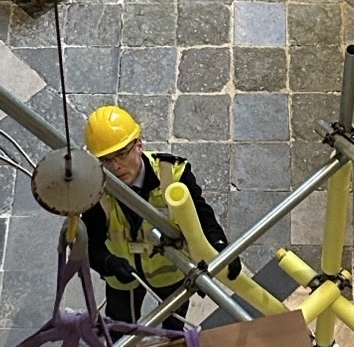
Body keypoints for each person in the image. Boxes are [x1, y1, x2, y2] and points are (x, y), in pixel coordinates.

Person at [81, 104, 239, 331]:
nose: (115, 166)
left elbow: (202, 215)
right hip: (123, 279)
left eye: (121, 154)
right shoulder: (95, 189)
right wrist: (108, 263)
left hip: (171, 273)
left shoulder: (173, 174)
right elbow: (90, 244)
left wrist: (221, 247)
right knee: (119, 328)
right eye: (105, 160)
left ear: (139, 144)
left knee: (174, 331)